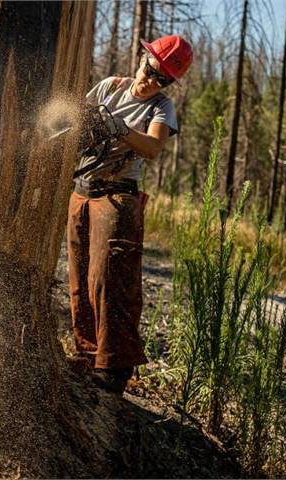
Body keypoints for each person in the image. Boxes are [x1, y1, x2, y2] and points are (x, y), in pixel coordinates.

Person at [67, 35, 193, 394]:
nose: (151, 80)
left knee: (109, 282)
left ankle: (114, 370)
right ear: (142, 58)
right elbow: (76, 118)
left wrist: (120, 129)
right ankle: (87, 354)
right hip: (82, 191)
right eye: (151, 70)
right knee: (79, 282)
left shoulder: (160, 109)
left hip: (117, 197)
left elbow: (153, 147)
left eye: (163, 79)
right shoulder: (110, 87)